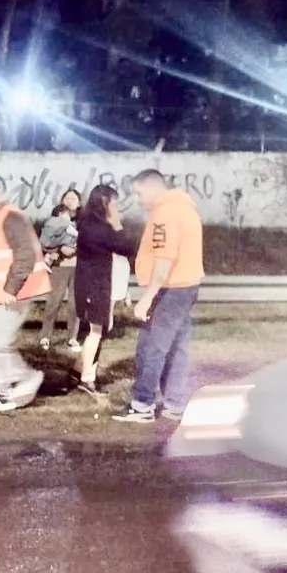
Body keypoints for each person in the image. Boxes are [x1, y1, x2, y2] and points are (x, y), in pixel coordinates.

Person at [113, 170, 205, 423]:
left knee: (152, 346)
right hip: (185, 286)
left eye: (138, 193)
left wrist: (147, 296)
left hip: (169, 288)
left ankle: (142, 405)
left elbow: (164, 259)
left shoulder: (165, 213)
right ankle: (175, 403)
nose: (137, 199)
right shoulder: (184, 207)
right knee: (177, 347)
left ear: (153, 188)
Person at [0, 177, 51, 413]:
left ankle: (26, 378)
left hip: (10, 295)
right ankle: (2, 391)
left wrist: (11, 288)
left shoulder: (11, 218)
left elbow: (25, 254)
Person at [71, 184, 136, 398]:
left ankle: (78, 369)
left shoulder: (88, 224)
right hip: (94, 286)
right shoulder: (98, 228)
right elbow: (126, 247)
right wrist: (117, 223)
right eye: (114, 203)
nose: (117, 207)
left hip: (91, 285)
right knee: (96, 332)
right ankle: (87, 379)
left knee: (96, 330)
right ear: (105, 203)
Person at [37, 189, 82, 351]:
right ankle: (45, 337)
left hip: (78, 268)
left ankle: (72, 338)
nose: (70, 201)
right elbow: (47, 241)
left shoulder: (83, 221)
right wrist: (59, 249)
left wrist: (74, 249)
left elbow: (87, 241)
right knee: (53, 302)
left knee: (75, 305)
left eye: (73, 198)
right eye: (67, 198)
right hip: (59, 267)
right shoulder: (55, 220)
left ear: (79, 202)